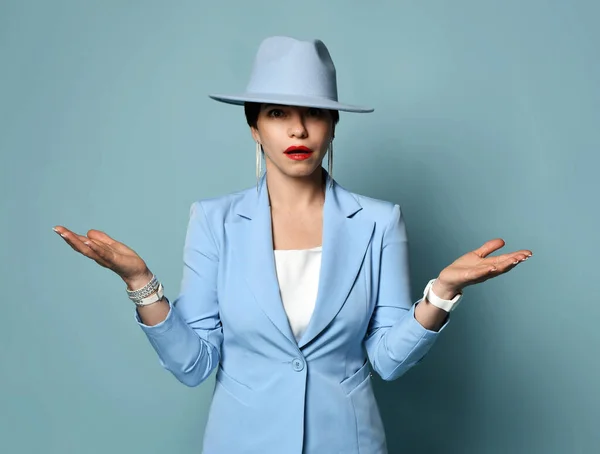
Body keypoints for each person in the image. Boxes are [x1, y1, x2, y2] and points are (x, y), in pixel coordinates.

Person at [53, 36, 532, 454]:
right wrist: (140, 282)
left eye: (315, 114)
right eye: (278, 113)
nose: (298, 129)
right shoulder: (214, 221)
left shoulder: (380, 223)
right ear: (254, 127)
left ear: (333, 125)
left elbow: (387, 359)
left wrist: (441, 293)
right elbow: (193, 364)